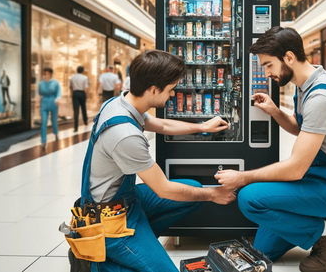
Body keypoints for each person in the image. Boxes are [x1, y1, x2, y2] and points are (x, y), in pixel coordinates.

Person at [215, 26, 326, 272]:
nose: (266, 72)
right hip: (316, 176)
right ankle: (320, 220)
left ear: (289, 57)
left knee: (250, 198)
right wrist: (275, 111)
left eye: (269, 65)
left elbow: (294, 169)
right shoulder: (305, 83)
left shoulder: (321, 97)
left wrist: (242, 177)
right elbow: (302, 129)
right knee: (263, 251)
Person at [79, 50, 235, 271]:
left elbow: (162, 126)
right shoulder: (125, 135)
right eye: (171, 89)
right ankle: (109, 256)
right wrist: (213, 194)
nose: (172, 95)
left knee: (192, 190)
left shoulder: (121, 103)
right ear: (153, 89)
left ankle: (141, 244)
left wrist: (203, 127)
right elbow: (165, 190)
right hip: (110, 221)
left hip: (123, 200)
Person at [38, 68, 61, 147]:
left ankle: (56, 133)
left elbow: (59, 92)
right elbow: (40, 93)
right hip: (44, 103)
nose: (46, 75)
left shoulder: (55, 82)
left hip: (53, 103)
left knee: (53, 120)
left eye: (48, 73)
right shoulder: (41, 83)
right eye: (45, 73)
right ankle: (44, 141)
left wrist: (58, 98)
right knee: (44, 122)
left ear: (51, 74)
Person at [69, 66, 89, 132]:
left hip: (75, 93)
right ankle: (85, 121)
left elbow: (70, 86)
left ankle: (75, 127)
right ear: (82, 71)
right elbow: (85, 88)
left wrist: (71, 93)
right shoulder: (84, 77)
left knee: (76, 110)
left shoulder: (72, 77)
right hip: (82, 93)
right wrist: (86, 95)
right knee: (83, 108)